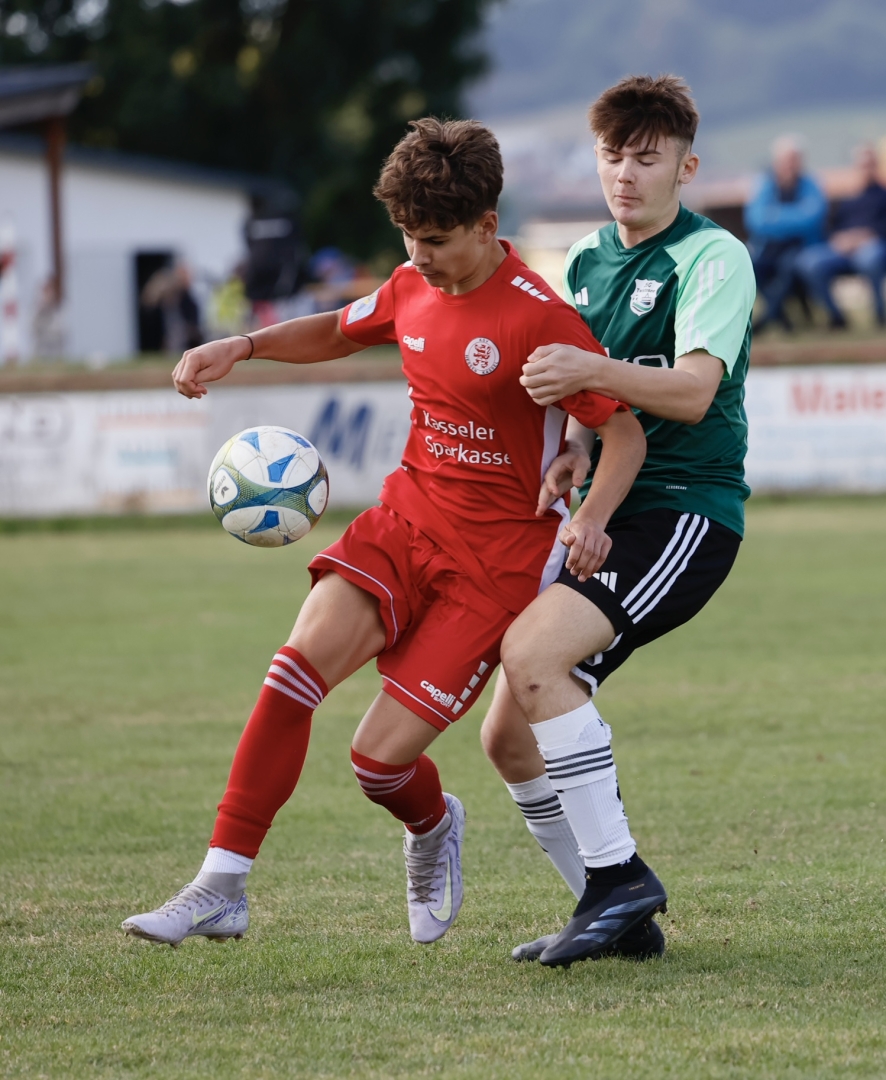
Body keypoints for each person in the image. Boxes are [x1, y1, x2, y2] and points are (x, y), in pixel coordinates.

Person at [121, 118, 646, 948]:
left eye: (435, 239)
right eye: (407, 235)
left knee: (378, 762)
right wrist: (243, 345)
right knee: (291, 673)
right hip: (404, 524)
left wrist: (590, 514)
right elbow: (339, 328)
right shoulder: (409, 286)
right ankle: (221, 884)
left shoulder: (539, 320)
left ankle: (434, 825)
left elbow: (623, 432)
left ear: (487, 225)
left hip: (494, 568)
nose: (418, 255)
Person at [479, 74, 756, 967]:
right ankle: (612, 917)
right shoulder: (587, 259)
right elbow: (589, 409)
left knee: (532, 656)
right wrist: (572, 448)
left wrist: (587, 371)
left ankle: (620, 880)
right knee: (506, 736)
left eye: (647, 158)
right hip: (608, 509)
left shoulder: (712, 257)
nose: (626, 175)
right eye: (612, 157)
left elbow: (693, 391)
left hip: (684, 512)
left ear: (686, 167)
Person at [796, 143, 886, 328]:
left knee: (869, 258)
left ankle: (879, 315)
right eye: (862, 165)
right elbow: (831, 226)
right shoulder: (846, 198)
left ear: (876, 165)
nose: (866, 169)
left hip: (873, 246)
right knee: (809, 262)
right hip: (843, 251)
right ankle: (836, 317)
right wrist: (838, 240)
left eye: (869, 164)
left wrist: (866, 236)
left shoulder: (882, 195)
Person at [744, 136, 827, 332]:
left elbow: (811, 220)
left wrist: (774, 216)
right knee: (751, 266)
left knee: (789, 267)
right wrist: (794, 216)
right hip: (768, 247)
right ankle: (779, 316)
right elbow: (755, 220)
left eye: (794, 159)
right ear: (776, 161)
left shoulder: (811, 185)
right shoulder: (764, 185)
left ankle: (768, 319)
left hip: (802, 246)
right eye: (786, 159)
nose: (790, 164)